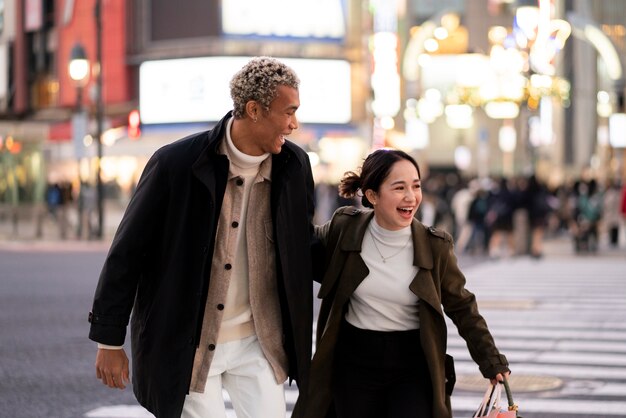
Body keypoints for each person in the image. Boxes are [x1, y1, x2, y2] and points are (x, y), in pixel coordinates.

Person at [88, 57, 316, 418]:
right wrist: (109, 339)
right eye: (289, 112)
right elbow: (128, 253)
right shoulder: (176, 164)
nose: (294, 123)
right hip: (189, 343)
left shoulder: (294, 166)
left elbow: (302, 244)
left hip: (260, 341)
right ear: (254, 110)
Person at [293, 149, 510, 418]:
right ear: (372, 195)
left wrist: (491, 361)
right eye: (399, 188)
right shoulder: (345, 228)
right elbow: (300, 244)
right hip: (354, 363)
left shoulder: (435, 246)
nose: (411, 197)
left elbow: (463, 306)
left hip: (412, 365)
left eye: (416, 186)